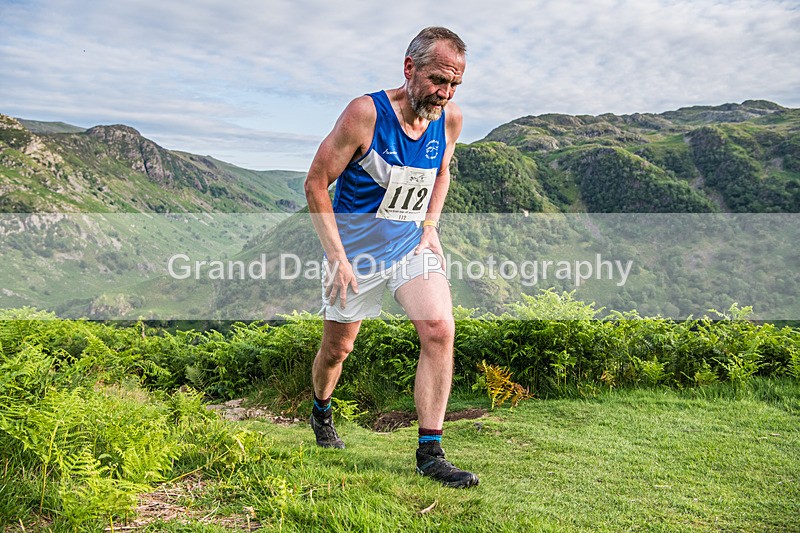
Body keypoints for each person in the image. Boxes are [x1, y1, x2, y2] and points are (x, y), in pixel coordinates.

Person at [303, 26, 478, 489]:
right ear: (409, 68)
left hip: (408, 248)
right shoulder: (365, 113)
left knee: (439, 329)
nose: (444, 93)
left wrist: (431, 226)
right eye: (438, 80)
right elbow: (315, 183)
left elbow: (441, 172)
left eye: (454, 84)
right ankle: (321, 410)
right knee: (338, 349)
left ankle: (430, 452)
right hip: (354, 255)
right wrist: (337, 257)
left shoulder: (449, 119)